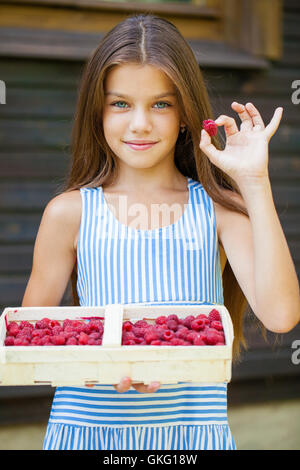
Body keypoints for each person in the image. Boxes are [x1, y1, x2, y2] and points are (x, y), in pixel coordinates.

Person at [22, 13, 300, 451]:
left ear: (186, 114)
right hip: (89, 435)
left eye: (161, 104)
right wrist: (102, 367)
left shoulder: (219, 212)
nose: (140, 124)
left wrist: (254, 183)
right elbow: (33, 345)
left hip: (192, 439)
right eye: (120, 104)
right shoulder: (69, 213)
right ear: (97, 111)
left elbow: (282, 314)